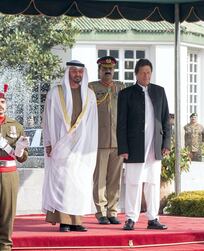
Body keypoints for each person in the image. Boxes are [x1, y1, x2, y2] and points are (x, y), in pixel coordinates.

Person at [42, 60, 98, 232]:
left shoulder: (90, 95)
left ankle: (76, 220)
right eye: (74, 71)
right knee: (63, 182)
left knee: (79, 182)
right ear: (68, 73)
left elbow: (93, 123)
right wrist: (48, 142)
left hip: (82, 147)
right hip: (61, 145)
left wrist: (90, 146)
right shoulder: (55, 93)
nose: (77, 74)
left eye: (80, 71)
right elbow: (47, 120)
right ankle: (64, 220)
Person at [117, 58, 171, 231]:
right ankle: (131, 218)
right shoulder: (126, 94)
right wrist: (123, 148)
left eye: (149, 72)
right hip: (134, 147)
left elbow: (165, 121)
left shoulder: (159, 92)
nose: (146, 76)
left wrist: (166, 143)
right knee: (133, 182)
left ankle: (153, 218)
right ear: (136, 74)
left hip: (154, 146)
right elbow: (121, 123)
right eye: (143, 73)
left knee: (153, 183)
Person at [89, 56, 126, 225]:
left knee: (115, 179)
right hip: (99, 140)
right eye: (105, 69)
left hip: (118, 141)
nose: (108, 71)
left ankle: (113, 210)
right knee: (100, 179)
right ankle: (101, 211)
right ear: (99, 70)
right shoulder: (92, 88)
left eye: (111, 69)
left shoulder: (121, 87)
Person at [0, 84, 29, 251]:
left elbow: (23, 157)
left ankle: (5, 248)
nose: (0, 105)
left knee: (7, 216)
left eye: (3, 101)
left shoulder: (16, 126)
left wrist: (19, 150)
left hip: (8, 175)